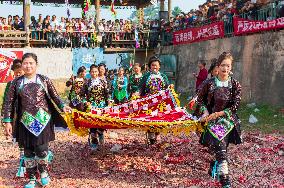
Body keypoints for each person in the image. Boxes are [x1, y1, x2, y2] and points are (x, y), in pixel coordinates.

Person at [2, 53, 72, 188]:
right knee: (27, 152)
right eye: (25, 63)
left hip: (43, 120)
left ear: (36, 65)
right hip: (25, 121)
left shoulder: (44, 80)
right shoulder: (16, 83)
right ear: (22, 65)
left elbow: (55, 97)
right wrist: (7, 121)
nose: (28, 66)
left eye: (31, 63)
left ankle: (44, 172)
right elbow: (8, 103)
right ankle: (32, 178)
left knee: (41, 150)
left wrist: (63, 106)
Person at [196, 52, 242, 188]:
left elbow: (235, 106)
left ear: (231, 67)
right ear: (218, 66)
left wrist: (220, 114)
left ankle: (214, 165)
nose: (225, 69)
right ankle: (225, 179)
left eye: (228, 66)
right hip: (211, 120)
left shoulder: (235, 85)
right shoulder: (209, 83)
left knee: (221, 148)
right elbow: (199, 100)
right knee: (220, 148)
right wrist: (205, 112)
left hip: (228, 120)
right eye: (223, 65)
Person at [1, 59, 25, 177]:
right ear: (13, 73)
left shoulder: (29, 82)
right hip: (17, 117)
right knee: (20, 141)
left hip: (30, 116)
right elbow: (6, 102)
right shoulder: (10, 84)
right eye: (16, 73)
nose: (18, 74)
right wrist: (5, 118)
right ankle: (22, 165)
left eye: (20, 72)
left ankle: (39, 160)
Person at [140, 56, 171, 144]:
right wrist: (137, 94)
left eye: (156, 65)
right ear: (150, 66)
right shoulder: (146, 76)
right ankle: (151, 135)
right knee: (150, 118)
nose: (155, 67)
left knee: (159, 117)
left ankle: (157, 134)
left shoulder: (163, 76)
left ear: (159, 66)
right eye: (153, 65)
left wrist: (170, 88)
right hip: (149, 101)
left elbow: (167, 87)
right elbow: (141, 88)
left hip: (160, 102)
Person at [84, 65, 109, 152]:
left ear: (98, 72)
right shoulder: (87, 83)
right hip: (92, 107)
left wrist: (108, 103)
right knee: (92, 125)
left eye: (95, 72)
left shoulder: (103, 82)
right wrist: (86, 102)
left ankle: (101, 133)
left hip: (101, 106)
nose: (94, 73)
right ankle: (94, 143)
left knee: (101, 124)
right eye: (92, 72)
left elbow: (107, 94)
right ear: (90, 73)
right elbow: (82, 95)